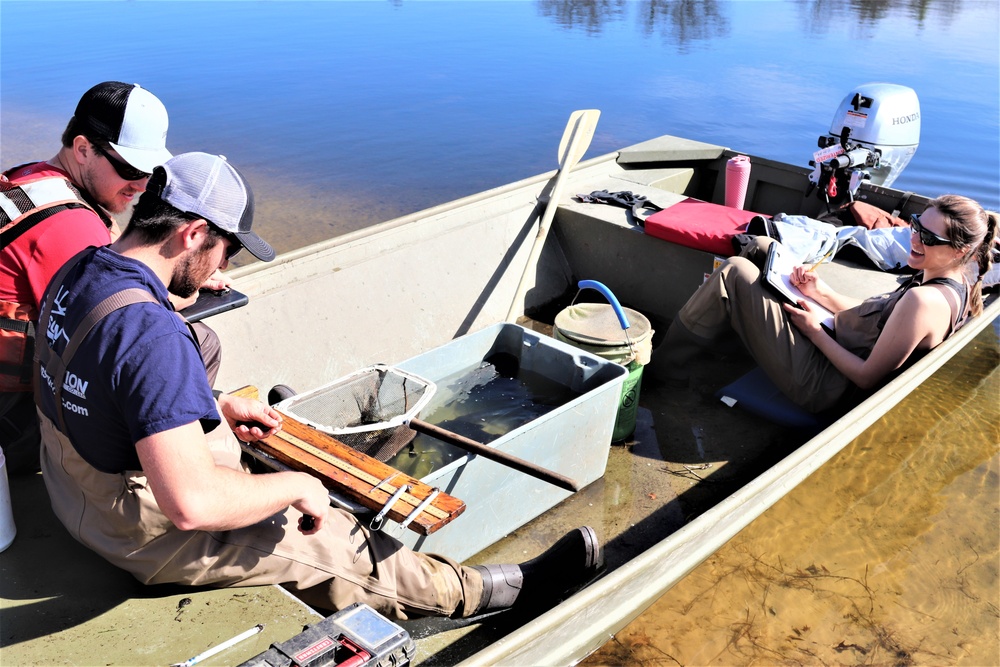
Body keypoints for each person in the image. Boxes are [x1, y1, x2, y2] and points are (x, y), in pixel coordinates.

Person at [34, 151, 602, 620]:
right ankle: (474, 594)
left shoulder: (82, 268)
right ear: (193, 233)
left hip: (69, 491)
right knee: (336, 541)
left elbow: (105, 379)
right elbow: (190, 505)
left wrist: (210, 404)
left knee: (226, 415)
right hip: (138, 535)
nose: (220, 270)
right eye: (224, 251)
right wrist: (297, 487)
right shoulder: (154, 335)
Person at [0, 81, 221, 474]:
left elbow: (112, 244)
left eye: (151, 174)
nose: (140, 186)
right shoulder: (68, 228)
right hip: (10, 421)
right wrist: (186, 285)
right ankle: (158, 469)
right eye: (130, 170)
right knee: (195, 341)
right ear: (83, 148)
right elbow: (125, 314)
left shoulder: (33, 178)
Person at [652, 195, 997, 414]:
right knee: (761, 245)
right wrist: (822, 292)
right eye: (917, 225)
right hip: (838, 345)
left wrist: (815, 332)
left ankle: (663, 374)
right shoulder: (951, 278)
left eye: (930, 238)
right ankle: (734, 336)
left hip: (825, 387)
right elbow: (877, 318)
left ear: (960, 251)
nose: (915, 238)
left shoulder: (924, 301)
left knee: (736, 272)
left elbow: (865, 378)